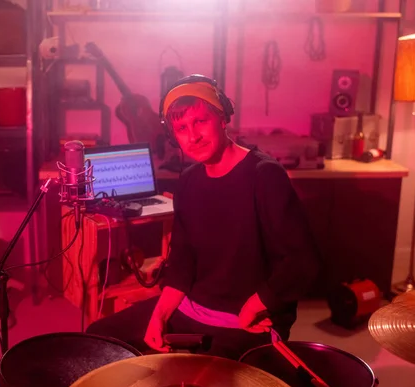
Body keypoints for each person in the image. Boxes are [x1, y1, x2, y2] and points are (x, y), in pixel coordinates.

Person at [85, 74, 321, 360]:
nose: (193, 136)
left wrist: (258, 303)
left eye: (200, 121)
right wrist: (160, 315)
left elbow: (302, 262)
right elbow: (183, 259)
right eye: (182, 128)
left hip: (244, 322)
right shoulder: (188, 180)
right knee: (95, 338)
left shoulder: (264, 176)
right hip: (190, 308)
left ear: (222, 118)